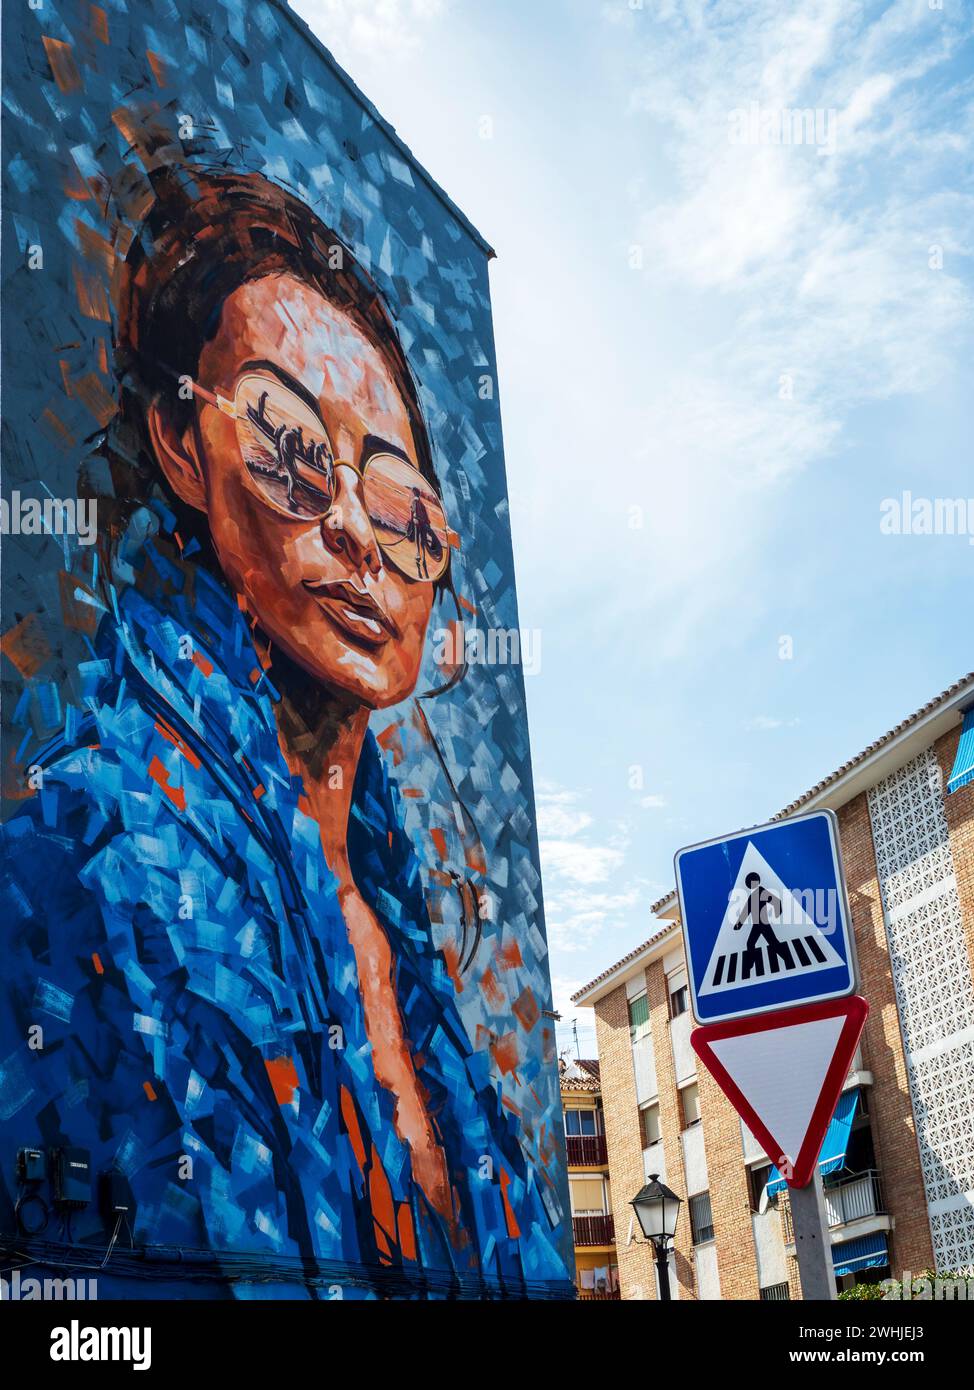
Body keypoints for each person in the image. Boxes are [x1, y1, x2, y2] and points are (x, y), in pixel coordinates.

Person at [0, 166, 566, 1300]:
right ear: (178, 443)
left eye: (398, 500)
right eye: (291, 448)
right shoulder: (71, 871)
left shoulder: (415, 960)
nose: (356, 531)